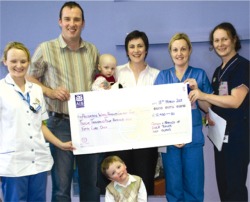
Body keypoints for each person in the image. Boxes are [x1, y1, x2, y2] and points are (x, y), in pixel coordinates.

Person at [26, 2, 100, 201]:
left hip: (88, 124)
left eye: (76, 19)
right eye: (67, 19)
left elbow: (97, 81)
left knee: (90, 183)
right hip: (59, 123)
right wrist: (50, 92)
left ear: (83, 23)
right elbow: (29, 78)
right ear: (60, 22)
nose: (72, 24)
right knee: (61, 185)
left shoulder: (92, 50)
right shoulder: (46, 49)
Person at [0, 41, 74, 202]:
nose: (19, 65)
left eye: (23, 61)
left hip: (38, 161)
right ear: (4, 61)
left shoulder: (36, 90)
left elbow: (40, 125)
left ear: (29, 63)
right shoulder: (1, 90)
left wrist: (60, 144)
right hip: (13, 163)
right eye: (13, 61)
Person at [188, 22, 249, 202]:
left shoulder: (242, 66)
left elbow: (236, 101)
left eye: (224, 39)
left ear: (233, 40)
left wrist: (204, 94)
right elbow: (214, 105)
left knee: (235, 188)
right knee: (223, 186)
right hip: (220, 137)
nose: (220, 44)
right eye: (216, 40)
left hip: (238, 138)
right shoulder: (218, 71)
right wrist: (196, 94)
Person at [154, 33, 213, 202]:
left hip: (192, 138)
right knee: (173, 188)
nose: (179, 53)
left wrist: (199, 93)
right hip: (169, 139)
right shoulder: (162, 77)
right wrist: (171, 136)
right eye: (175, 50)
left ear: (189, 51)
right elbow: (155, 110)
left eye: (183, 49)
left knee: (194, 187)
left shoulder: (199, 75)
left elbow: (207, 108)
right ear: (170, 53)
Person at [110, 30, 159, 195]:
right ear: (126, 50)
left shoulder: (157, 75)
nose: (136, 50)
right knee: (121, 184)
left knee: (144, 184)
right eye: (132, 46)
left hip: (147, 139)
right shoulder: (116, 72)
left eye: (140, 46)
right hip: (120, 138)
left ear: (146, 49)